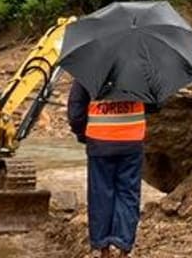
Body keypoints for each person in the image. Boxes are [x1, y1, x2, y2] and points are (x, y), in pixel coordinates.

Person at [67, 82, 156, 257]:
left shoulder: (88, 70)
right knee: (128, 193)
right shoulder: (142, 69)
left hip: (99, 141)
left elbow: (76, 112)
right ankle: (124, 246)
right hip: (131, 141)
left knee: (100, 194)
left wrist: (82, 134)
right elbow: (154, 104)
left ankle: (103, 247)